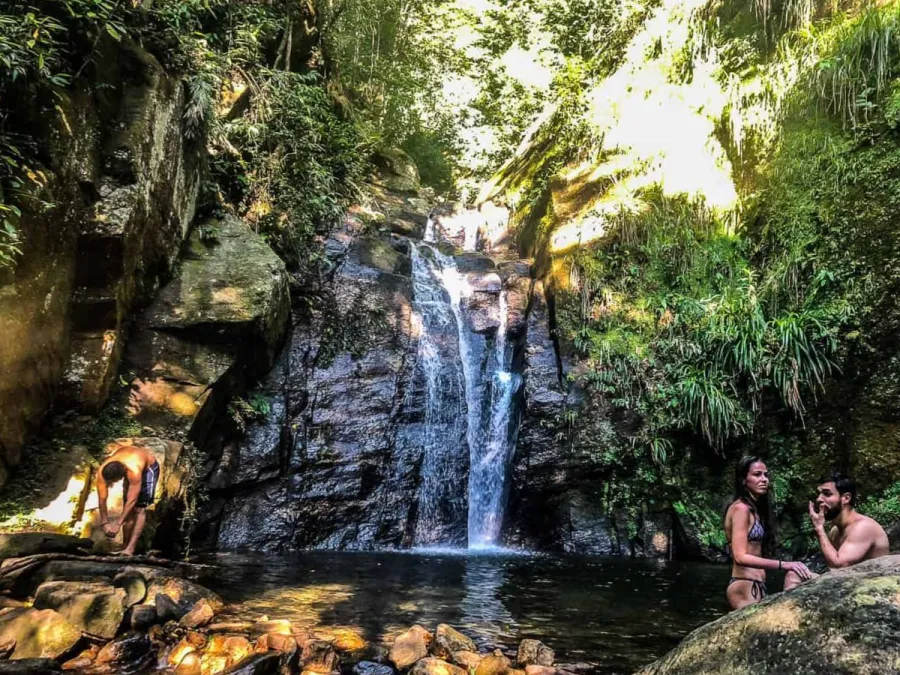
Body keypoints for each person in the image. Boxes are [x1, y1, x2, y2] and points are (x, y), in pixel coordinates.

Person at [723, 456, 813, 609]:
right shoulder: (740, 509)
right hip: (743, 585)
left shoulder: (755, 510)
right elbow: (740, 556)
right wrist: (784, 565)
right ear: (743, 480)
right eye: (757, 474)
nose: (764, 479)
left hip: (756, 584)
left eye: (766, 475)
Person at [783, 472, 889, 590]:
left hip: (871, 589)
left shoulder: (863, 527)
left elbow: (839, 566)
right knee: (794, 575)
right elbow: (834, 573)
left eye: (827, 494)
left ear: (846, 498)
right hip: (847, 585)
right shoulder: (835, 531)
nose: (819, 499)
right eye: (819, 494)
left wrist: (819, 529)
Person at [96, 444, 160, 556]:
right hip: (128, 460)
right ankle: (124, 547)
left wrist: (118, 524)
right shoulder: (102, 471)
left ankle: (131, 548)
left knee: (139, 509)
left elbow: (132, 500)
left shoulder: (134, 471)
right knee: (128, 511)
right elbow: (102, 499)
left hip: (148, 468)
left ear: (122, 475)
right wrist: (104, 522)